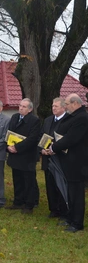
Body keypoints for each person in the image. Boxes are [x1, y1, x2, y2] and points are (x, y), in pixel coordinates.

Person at [48, 94, 88, 232]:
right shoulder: (74, 116)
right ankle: (70, 217)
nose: (66, 106)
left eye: (67, 104)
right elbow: (61, 131)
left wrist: (53, 147)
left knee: (77, 193)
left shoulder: (82, 118)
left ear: (75, 103)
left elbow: (71, 138)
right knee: (70, 191)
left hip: (78, 162)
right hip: (69, 160)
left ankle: (77, 223)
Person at [6, 98, 40, 214]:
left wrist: (17, 147)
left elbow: (33, 138)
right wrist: (9, 146)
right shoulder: (15, 117)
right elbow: (9, 132)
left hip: (27, 156)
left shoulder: (34, 120)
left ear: (30, 109)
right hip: (14, 155)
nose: (21, 108)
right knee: (17, 179)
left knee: (28, 181)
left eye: (24, 106)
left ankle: (29, 204)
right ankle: (18, 201)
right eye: (20, 105)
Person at [40, 97, 68, 219]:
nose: (53, 108)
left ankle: (63, 210)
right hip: (47, 158)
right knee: (50, 184)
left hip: (60, 159)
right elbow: (42, 136)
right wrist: (41, 149)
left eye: (56, 106)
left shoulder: (68, 121)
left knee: (60, 184)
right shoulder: (47, 120)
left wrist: (54, 150)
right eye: (52, 106)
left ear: (63, 107)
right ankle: (53, 209)